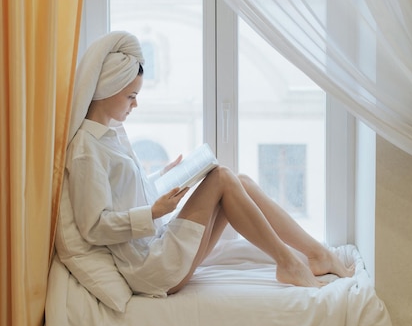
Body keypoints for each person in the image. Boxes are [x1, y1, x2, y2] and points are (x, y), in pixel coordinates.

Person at [58, 31, 354, 300]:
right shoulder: (87, 149)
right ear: (108, 89)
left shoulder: (112, 136)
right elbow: (93, 227)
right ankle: (288, 263)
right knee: (223, 178)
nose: (135, 105)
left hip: (158, 250)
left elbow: (123, 191)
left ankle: (317, 254)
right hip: (149, 268)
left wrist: (164, 176)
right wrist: (154, 213)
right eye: (131, 96)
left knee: (243, 182)